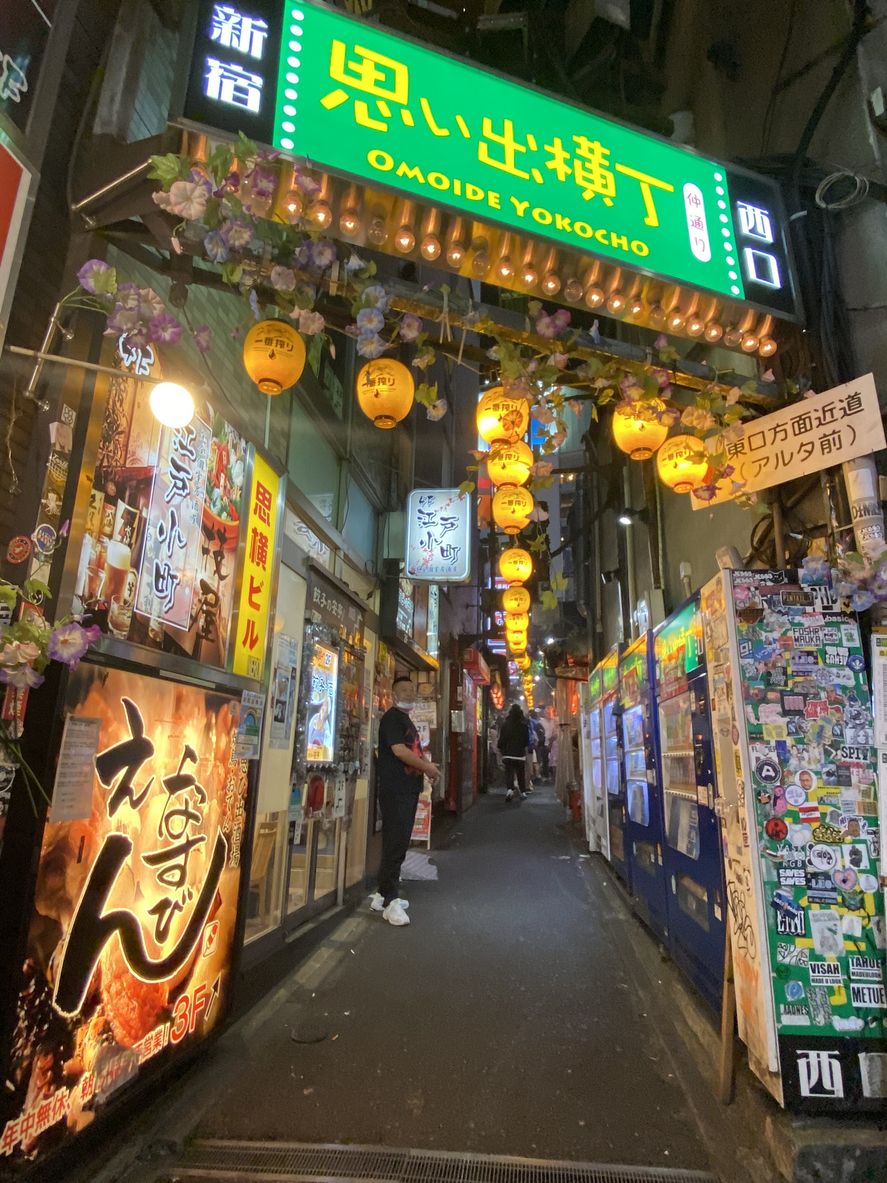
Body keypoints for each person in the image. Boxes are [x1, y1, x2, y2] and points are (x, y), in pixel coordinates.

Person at [371, 676, 440, 926]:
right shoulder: (392, 718)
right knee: (396, 843)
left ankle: (381, 894)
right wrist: (428, 768)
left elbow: (410, 753)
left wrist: (427, 768)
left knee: (397, 842)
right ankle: (391, 902)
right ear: (392, 693)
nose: (409, 693)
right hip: (396, 791)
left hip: (405, 789)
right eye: (403, 689)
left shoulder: (404, 719)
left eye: (412, 690)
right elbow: (400, 751)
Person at [498, 703, 530, 801]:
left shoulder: (505, 725)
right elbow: (526, 741)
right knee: (521, 773)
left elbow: (502, 739)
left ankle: (510, 790)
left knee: (509, 772)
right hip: (520, 754)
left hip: (508, 753)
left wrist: (501, 748)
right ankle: (523, 791)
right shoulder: (524, 726)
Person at [529, 710, 548, 781]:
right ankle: (538, 774)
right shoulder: (538, 723)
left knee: (533, 760)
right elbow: (543, 733)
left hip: (532, 744)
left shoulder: (530, 722)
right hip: (539, 743)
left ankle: (534, 774)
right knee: (538, 759)